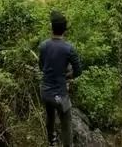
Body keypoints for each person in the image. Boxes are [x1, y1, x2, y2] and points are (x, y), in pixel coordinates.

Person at [39, 11, 82, 146]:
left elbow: (41, 67)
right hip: (60, 95)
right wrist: (66, 76)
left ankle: (51, 141)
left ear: (52, 28)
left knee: (50, 116)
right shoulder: (69, 49)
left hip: (45, 92)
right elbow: (78, 71)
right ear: (65, 30)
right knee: (66, 123)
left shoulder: (43, 46)